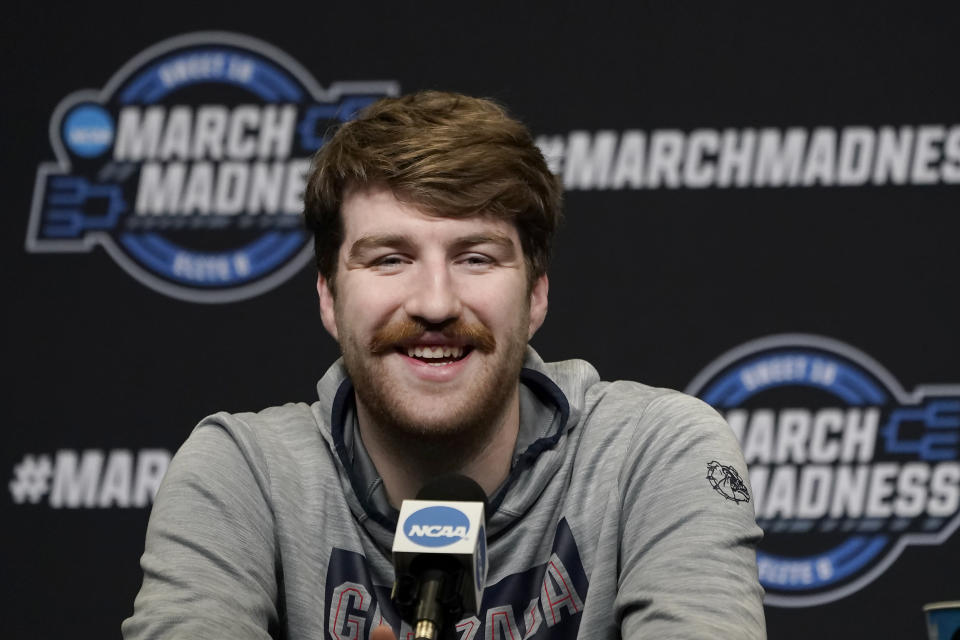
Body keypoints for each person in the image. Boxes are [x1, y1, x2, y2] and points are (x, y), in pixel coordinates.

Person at [123, 91, 766, 639]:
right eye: (389, 259)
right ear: (328, 296)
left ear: (536, 293)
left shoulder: (655, 452)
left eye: (476, 257)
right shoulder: (242, 474)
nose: (435, 303)